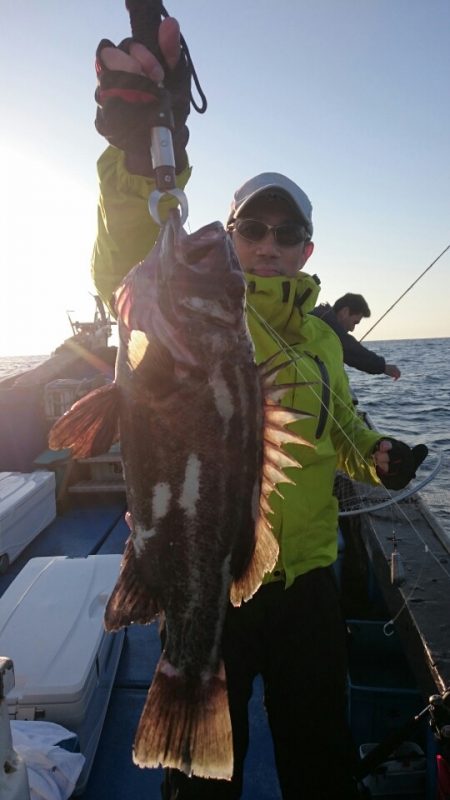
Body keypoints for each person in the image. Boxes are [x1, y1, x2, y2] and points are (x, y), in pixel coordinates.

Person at [91, 16, 426, 799]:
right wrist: (140, 155)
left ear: (308, 248)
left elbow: (339, 428)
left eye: (287, 231)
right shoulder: (214, 318)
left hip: (307, 577)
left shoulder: (320, 340)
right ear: (235, 239)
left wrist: (375, 455)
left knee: (319, 753)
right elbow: (130, 252)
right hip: (211, 567)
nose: (268, 242)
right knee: (205, 780)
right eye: (252, 229)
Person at [311, 293, 401, 379]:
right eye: (355, 322)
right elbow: (350, 349)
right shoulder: (325, 324)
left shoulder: (320, 316)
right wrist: (383, 367)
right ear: (345, 312)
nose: (352, 329)